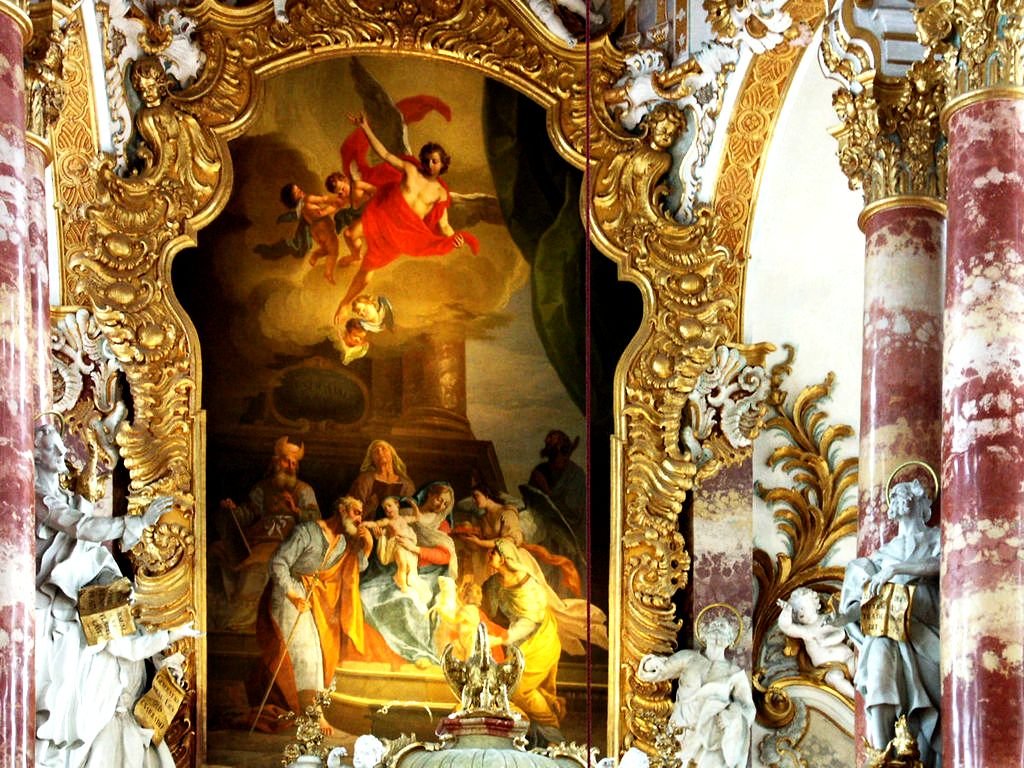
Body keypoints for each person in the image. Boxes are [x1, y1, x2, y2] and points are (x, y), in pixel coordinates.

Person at [332, 111, 480, 321]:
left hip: (400, 234)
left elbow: (445, 225)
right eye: (427, 160)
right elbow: (385, 154)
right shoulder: (410, 170)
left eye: (434, 161)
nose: (429, 164)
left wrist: (453, 238)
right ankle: (355, 255)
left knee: (367, 269)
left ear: (442, 164)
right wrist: (365, 127)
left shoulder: (440, 193)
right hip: (382, 215)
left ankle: (345, 303)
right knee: (349, 234)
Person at [836, 479, 941, 766]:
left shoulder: (937, 537)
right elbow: (863, 600)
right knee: (877, 658)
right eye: (894, 494)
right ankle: (881, 755)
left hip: (925, 627)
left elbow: (946, 564)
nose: (897, 496)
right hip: (889, 628)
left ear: (921, 502)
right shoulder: (881, 553)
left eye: (905, 493)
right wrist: (842, 617)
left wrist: (896, 569)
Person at [255, 496, 373, 735]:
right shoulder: (307, 532)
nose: (359, 519)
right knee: (304, 651)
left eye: (361, 514)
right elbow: (278, 563)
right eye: (356, 512)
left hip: (308, 594)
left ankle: (312, 712)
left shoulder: (341, 542)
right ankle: (312, 713)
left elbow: (353, 567)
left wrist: (368, 547)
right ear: (341, 509)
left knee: (316, 654)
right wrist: (292, 595)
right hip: (286, 591)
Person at [218, 436, 320, 632]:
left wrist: (296, 510)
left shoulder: (304, 490)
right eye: (286, 461)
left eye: (294, 463)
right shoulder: (262, 488)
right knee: (253, 570)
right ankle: (242, 624)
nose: (290, 466)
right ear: (276, 462)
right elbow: (248, 513)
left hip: (290, 543)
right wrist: (232, 510)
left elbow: (315, 520)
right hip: (262, 542)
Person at [635, 613, 755, 768]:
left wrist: (733, 715)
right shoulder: (687, 658)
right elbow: (660, 671)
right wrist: (651, 665)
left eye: (722, 626)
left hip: (711, 739)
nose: (717, 629)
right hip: (681, 732)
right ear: (704, 634)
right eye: (714, 625)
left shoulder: (735, 673)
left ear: (730, 640)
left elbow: (748, 708)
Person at [482, 538, 566, 745]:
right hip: (518, 644)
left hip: (540, 641)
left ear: (504, 558)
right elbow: (489, 612)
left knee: (519, 689)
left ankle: (553, 735)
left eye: (493, 552)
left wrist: (500, 638)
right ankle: (532, 736)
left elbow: (529, 622)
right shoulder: (495, 583)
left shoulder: (528, 586)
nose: (489, 555)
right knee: (508, 688)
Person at [776, 587, 855, 699]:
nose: (800, 612)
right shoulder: (804, 631)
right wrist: (787, 611)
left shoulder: (826, 620)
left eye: (802, 607)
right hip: (828, 668)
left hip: (846, 657)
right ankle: (856, 697)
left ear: (816, 605)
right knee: (833, 677)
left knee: (857, 666)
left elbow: (841, 632)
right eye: (796, 611)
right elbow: (786, 627)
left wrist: (826, 641)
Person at [347, 439, 416, 517]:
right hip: (369, 524)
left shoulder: (406, 484)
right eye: (376, 451)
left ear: (392, 454)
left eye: (384, 449)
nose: (380, 453)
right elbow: (353, 512)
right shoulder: (365, 480)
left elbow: (412, 513)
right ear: (372, 459)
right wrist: (370, 505)